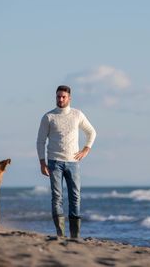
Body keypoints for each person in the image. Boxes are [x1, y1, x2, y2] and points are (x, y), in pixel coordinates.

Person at [36, 85, 97, 239]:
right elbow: (40, 141)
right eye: (58, 96)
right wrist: (42, 162)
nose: (60, 99)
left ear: (69, 98)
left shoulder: (77, 115)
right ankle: (60, 234)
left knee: (75, 197)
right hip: (54, 162)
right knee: (57, 197)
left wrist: (86, 149)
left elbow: (91, 132)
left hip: (73, 162)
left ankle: (75, 235)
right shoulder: (48, 117)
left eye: (63, 97)